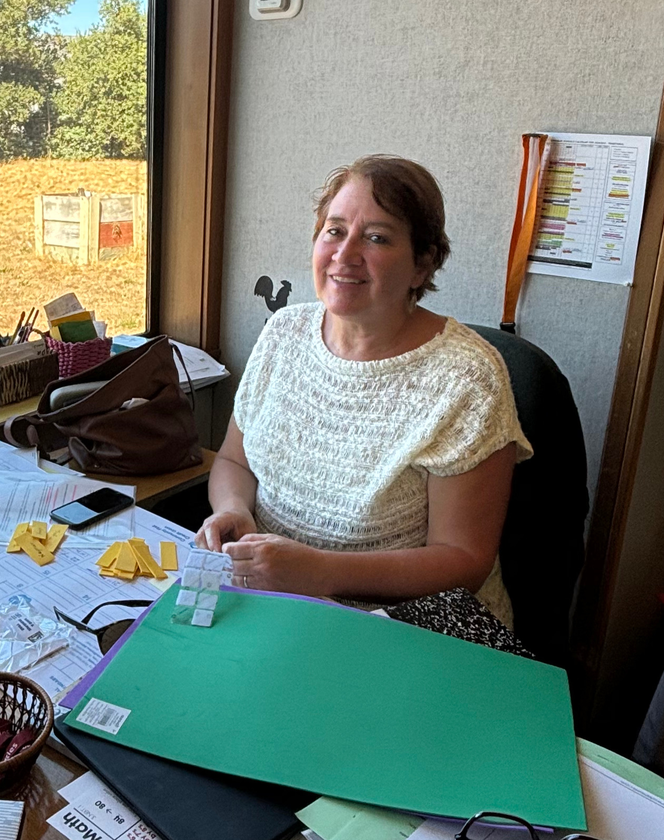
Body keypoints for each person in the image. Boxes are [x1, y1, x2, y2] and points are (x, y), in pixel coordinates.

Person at [194, 155, 531, 625]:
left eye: (376, 238)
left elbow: (463, 560)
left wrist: (321, 572)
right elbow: (235, 461)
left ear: (422, 265)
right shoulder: (283, 333)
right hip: (274, 599)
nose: (345, 254)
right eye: (334, 231)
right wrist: (234, 510)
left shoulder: (467, 377)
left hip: (403, 625)